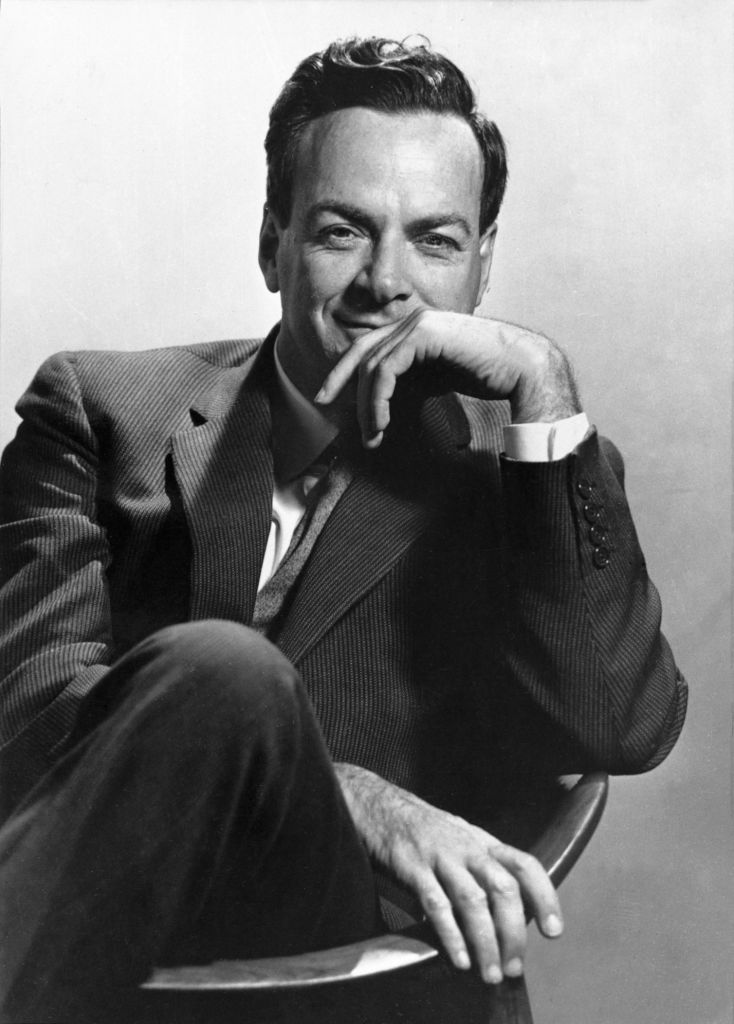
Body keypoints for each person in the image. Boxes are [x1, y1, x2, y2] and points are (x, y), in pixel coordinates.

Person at [0, 36, 686, 1023]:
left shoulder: (522, 466)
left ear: (482, 264)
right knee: (225, 674)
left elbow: (615, 729)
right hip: (102, 957)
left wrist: (544, 384)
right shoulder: (102, 409)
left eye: (435, 241)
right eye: (340, 231)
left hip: (366, 982)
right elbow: (25, 718)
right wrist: (347, 790)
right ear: (272, 237)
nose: (385, 281)